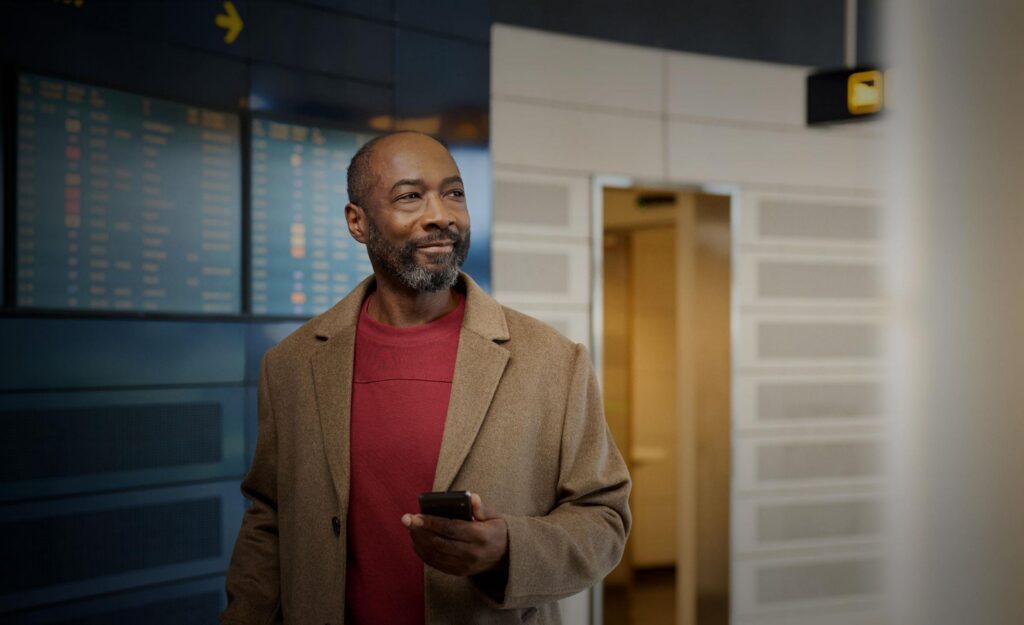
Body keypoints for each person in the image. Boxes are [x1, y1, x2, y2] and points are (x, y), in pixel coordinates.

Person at [220, 131, 631, 624]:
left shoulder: (553, 362)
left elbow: (603, 518)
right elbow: (269, 517)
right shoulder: (291, 365)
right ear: (357, 222)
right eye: (410, 196)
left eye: (454, 193)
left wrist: (508, 549)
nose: (442, 215)